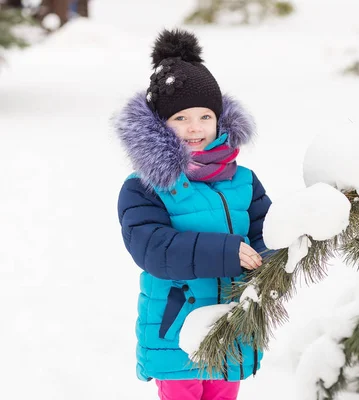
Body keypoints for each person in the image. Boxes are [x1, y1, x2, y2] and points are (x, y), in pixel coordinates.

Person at [115, 28, 272, 400]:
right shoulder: (144, 186)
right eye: (181, 117)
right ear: (159, 124)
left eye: (205, 115)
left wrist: (271, 261)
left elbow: (268, 231)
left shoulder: (244, 182)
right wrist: (225, 251)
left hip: (231, 320)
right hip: (175, 326)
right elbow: (152, 248)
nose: (195, 127)